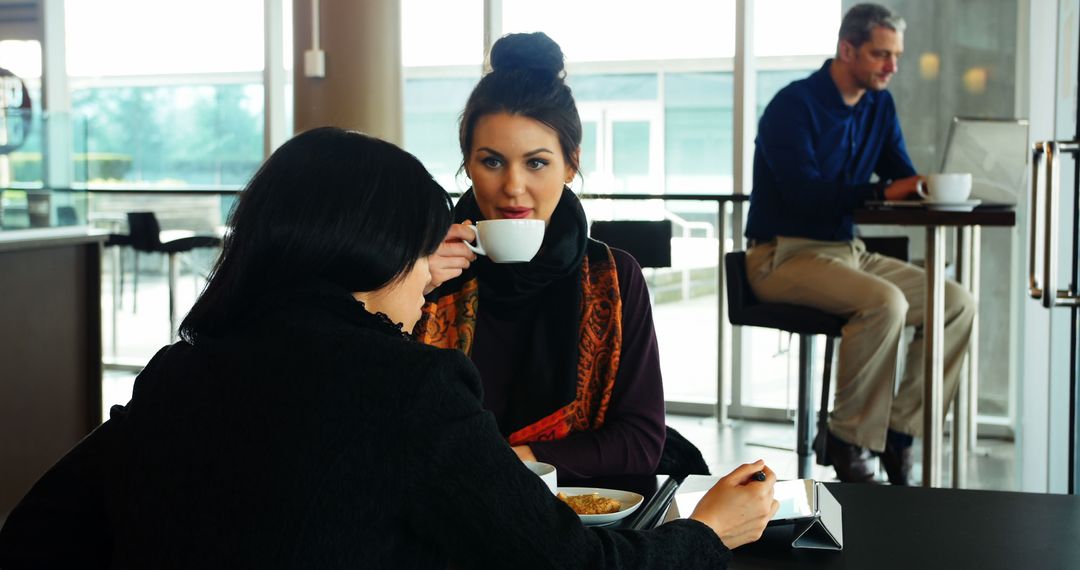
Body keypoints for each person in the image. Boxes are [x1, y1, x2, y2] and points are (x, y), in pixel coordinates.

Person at [0, 127, 777, 568]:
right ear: (374, 252)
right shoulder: (409, 390)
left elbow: (35, 531)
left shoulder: (181, 373)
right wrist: (708, 533)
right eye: (418, 247)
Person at [418, 32, 693, 480]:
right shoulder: (421, 273)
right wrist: (415, 287)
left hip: (573, 520)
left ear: (570, 164)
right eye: (491, 162)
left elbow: (641, 441)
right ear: (467, 163)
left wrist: (513, 464)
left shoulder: (614, 277)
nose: (513, 186)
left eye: (537, 163)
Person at [744, 3, 975, 485]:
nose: (892, 66)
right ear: (846, 49)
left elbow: (899, 174)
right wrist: (879, 190)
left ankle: (898, 432)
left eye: (896, 55)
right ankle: (847, 438)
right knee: (884, 302)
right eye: (880, 54)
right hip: (781, 253)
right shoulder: (793, 105)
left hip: (846, 251)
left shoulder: (878, 105)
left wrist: (933, 185)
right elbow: (802, 194)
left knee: (955, 302)